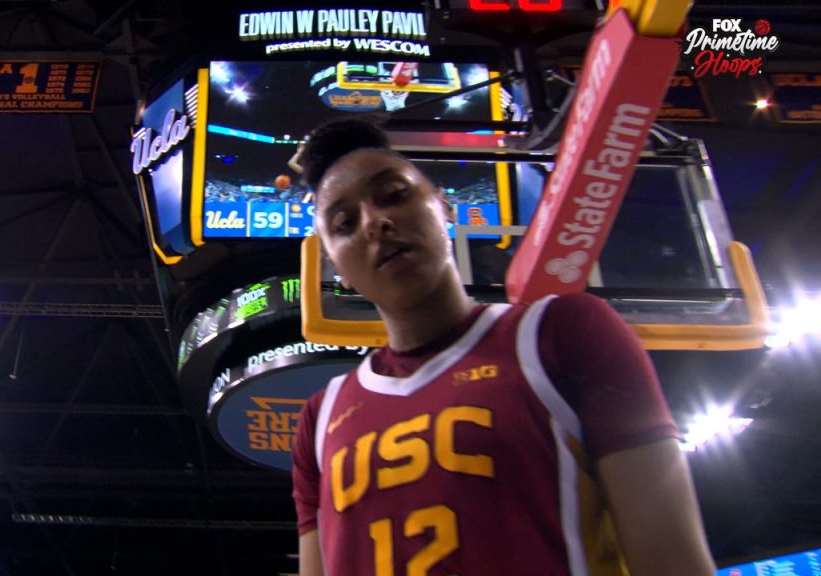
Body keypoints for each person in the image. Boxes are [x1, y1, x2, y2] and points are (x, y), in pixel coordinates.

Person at [290, 117, 717, 576]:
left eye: (393, 195)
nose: (375, 223)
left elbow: (673, 562)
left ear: (444, 207)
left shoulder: (562, 332)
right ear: (336, 268)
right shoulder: (321, 417)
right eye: (345, 223)